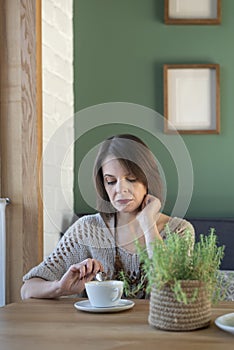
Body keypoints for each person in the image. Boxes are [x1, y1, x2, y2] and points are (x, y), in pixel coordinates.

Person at [21, 134, 194, 299]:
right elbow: (28, 289)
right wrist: (60, 287)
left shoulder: (179, 231)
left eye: (131, 178)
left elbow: (175, 291)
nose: (120, 189)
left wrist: (148, 223)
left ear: (148, 178)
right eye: (111, 181)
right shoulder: (87, 229)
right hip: (96, 329)